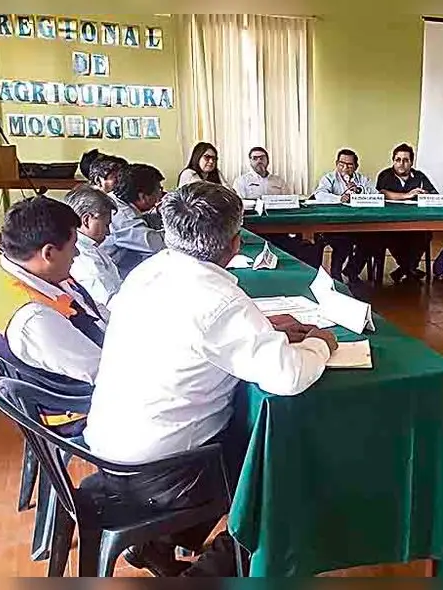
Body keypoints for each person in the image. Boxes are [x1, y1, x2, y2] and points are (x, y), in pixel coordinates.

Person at [84, 181, 337, 576]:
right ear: (234, 243)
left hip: (110, 448)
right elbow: (289, 375)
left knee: (244, 432)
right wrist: (321, 343)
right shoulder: (218, 301)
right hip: (163, 472)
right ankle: (201, 578)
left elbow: (189, 332)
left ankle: (160, 544)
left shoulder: (148, 270)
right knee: (282, 474)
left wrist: (263, 327)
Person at [0, 197, 107, 433]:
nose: (77, 254)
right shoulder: (34, 319)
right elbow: (105, 371)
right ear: (49, 253)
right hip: (78, 406)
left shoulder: (2, 267)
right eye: (74, 245)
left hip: (82, 358)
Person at [313, 149, 378, 283]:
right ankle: (335, 275)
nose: (345, 168)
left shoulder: (362, 179)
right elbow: (319, 195)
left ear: (356, 166)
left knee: (371, 239)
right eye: (342, 164)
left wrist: (360, 191)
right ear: (336, 164)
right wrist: (339, 198)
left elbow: (376, 195)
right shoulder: (329, 178)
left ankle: (352, 270)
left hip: (358, 224)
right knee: (343, 241)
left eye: (350, 165)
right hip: (333, 225)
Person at [375, 143, 437, 282]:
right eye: (398, 160)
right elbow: (383, 193)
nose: (401, 164)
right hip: (390, 222)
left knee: (425, 234)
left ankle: (405, 269)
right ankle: (409, 268)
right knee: (391, 236)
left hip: (414, 221)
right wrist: (407, 195)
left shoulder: (419, 176)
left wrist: (426, 194)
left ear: (411, 162)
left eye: (405, 160)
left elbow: (434, 194)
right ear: (393, 161)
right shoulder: (385, 175)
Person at [101, 164, 165, 277]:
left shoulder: (116, 199)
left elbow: (141, 220)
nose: (161, 194)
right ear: (142, 197)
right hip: (113, 274)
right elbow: (155, 245)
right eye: (158, 190)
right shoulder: (122, 216)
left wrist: (159, 213)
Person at [67, 186, 122, 306]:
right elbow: (110, 302)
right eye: (106, 225)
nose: (108, 232)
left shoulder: (89, 247)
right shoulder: (85, 257)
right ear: (86, 220)